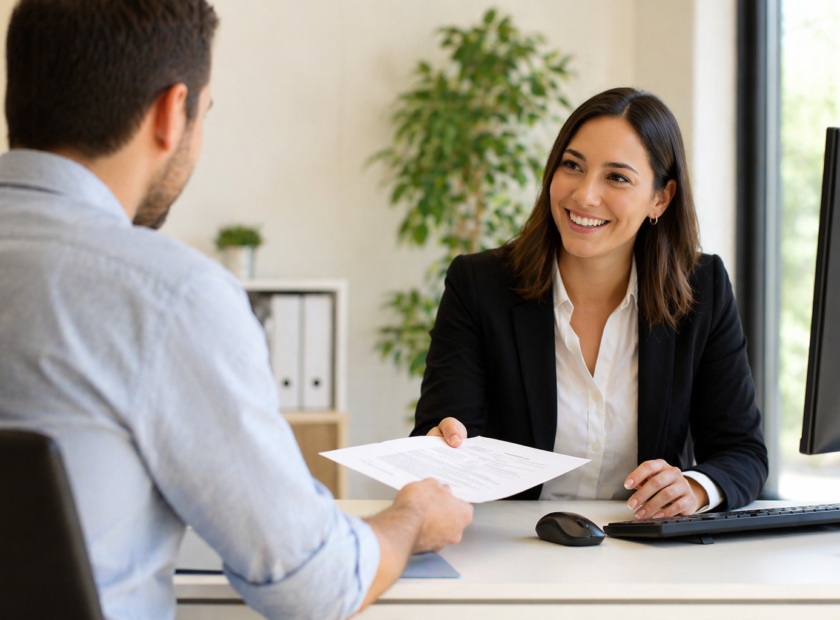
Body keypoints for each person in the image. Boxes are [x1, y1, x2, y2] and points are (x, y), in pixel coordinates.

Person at [0, 1, 472, 619]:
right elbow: (313, 587)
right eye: (205, 114)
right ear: (173, 113)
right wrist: (412, 516)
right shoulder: (170, 296)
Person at [412, 87, 768, 519]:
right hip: (510, 548)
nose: (584, 195)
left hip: (641, 551)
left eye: (616, 177)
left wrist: (693, 487)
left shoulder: (701, 287)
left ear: (661, 197)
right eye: (572, 166)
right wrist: (443, 446)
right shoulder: (480, 285)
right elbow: (440, 434)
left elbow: (742, 452)